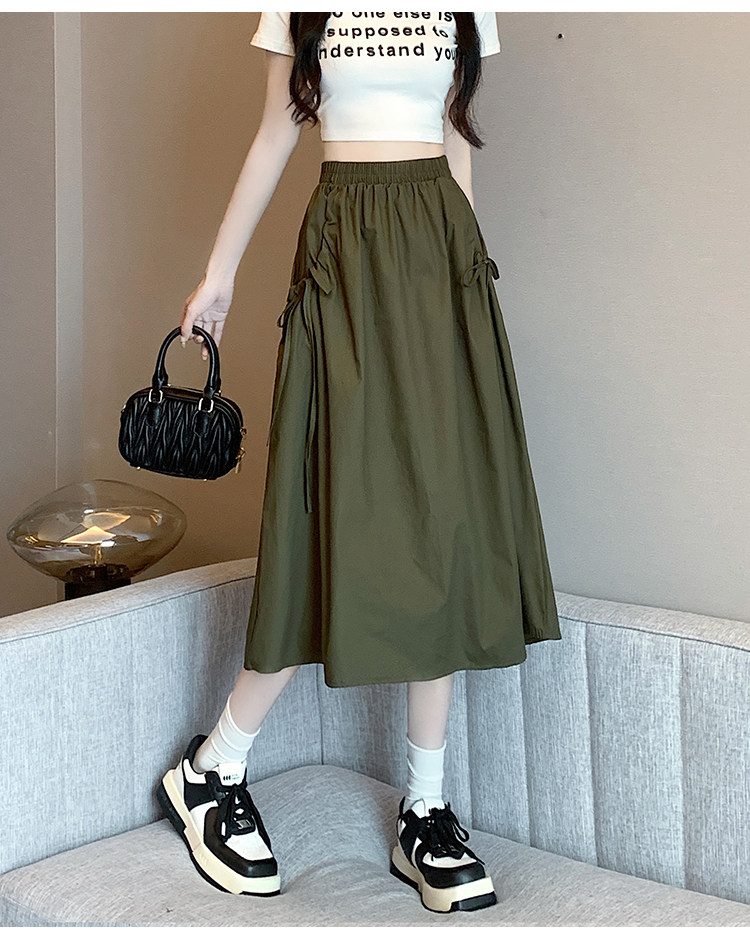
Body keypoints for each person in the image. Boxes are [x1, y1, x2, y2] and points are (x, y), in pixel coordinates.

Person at [157, 11, 562, 915]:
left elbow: (455, 136)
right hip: (344, 247)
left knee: (443, 514)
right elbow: (276, 133)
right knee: (326, 506)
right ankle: (214, 768)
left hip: (439, 254)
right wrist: (219, 274)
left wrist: (468, 282)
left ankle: (426, 809)